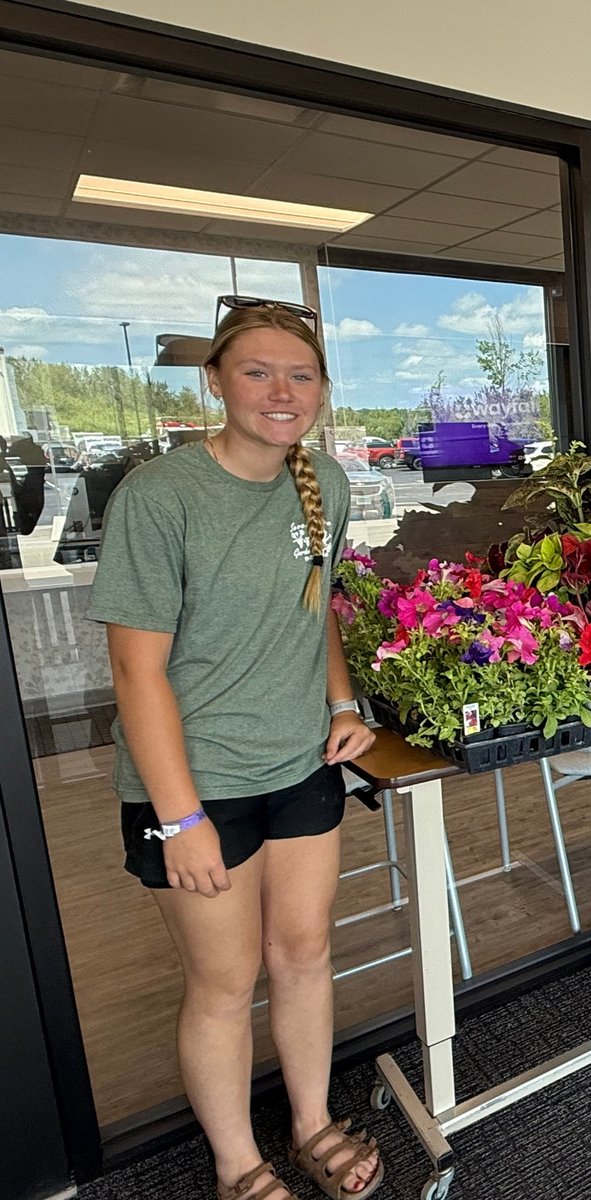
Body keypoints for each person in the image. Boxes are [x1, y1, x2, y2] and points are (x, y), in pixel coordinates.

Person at [89, 296, 382, 1200]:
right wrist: (180, 819)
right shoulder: (163, 495)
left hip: (298, 765)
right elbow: (138, 675)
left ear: (323, 390)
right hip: (194, 786)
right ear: (216, 381)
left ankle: (310, 1124)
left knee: (303, 955)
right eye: (257, 371)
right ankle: (237, 1167)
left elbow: (315, 606)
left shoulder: (323, 483)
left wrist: (342, 700)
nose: (280, 390)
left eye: (300, 374)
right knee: (225, 981)